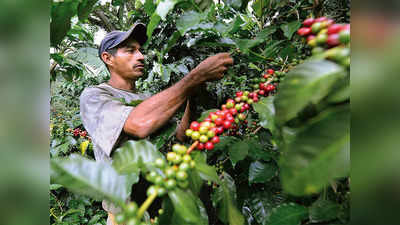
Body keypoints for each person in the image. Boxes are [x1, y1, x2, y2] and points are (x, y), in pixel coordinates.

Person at [79, 23, 233, 225]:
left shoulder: (146, 99)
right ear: (108, 58)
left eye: (140, 50)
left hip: (163, 203)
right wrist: (195, 77)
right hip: (129, 213)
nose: (141, 56)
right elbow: (139, 124)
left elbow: (180, 137)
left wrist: (191, 96)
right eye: (130, 51)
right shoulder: (95, 96)